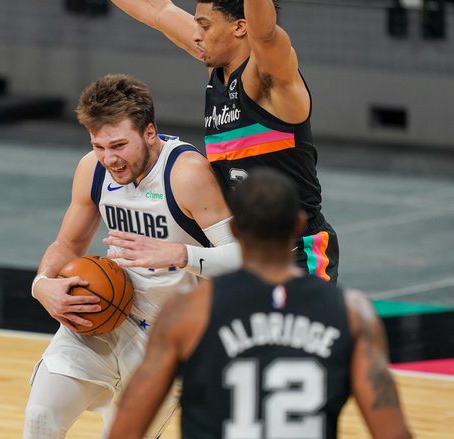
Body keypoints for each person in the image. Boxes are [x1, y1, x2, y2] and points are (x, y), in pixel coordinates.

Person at [107, 168, 412, 439]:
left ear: (236, 231)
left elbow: (127, 430)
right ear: (299, 225)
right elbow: (392, 432)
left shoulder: (186, 312)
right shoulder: (353, 312)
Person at [24, 73, 241, 438]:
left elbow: (243, 261)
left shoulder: (186, 174)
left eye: (119, 145)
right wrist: (42, 283)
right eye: (99, 145)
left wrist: (179, 254)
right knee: (40, 418)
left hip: (167, 337)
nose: (109, 158)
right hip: (100, 316)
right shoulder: (91, 169)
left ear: (150, 132)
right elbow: (67, 245)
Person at [110, 0, 339, 283]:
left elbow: (265, 33)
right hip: (237, 248)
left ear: (241, 27)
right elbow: (157, 10)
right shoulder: (217, 65)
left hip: (293, 250)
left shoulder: (267, 78)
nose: (196, 33)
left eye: (204, 25)